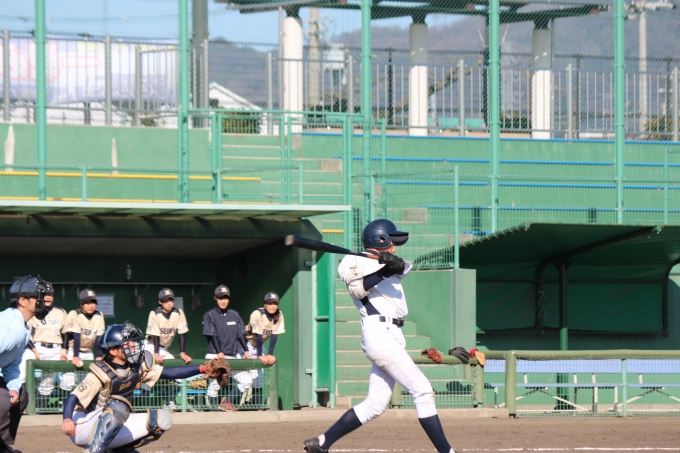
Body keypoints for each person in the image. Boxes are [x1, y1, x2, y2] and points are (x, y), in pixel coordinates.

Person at [303, 219, 459, 453]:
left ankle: (321, 443)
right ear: (381, 240)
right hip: (379, 332)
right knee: (423, 390)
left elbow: (403, 267)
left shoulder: (386, 261)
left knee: (374, 405)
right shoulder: (351, 261)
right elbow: (358, 289)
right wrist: (384, 270)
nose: (395, 246)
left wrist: (389, 264)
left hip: (393, 334)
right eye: (391, 241)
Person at [60, 321, 230, 453]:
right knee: (119, 406)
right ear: (113, 351)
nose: (133, 345)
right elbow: (72, 398)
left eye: (132, 341)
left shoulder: (136, 366)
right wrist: (67, 419)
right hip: (81, 425)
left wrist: (202, 369)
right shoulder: (101, 372)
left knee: (160, 420)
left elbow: (170, 373)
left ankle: (116, 450)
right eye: (126, 343)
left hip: (109, 423)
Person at [0, 275, 51, 453]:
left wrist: (13, 387)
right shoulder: (9, 326)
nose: (43, 301)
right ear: (22, 301)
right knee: (2, 400)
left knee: (20, 395)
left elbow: (11, 365)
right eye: (38, 297)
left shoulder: (23, 328)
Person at [202, 284, 264, 411]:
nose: (223, 301)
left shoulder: (234, 314)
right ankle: (213, 411)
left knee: (246, 380)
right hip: (215, 355)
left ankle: (227, 402)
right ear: (215, 298)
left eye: (225, 297)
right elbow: (212, 335)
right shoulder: (210, 315)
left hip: (231, 356)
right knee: (215, 385)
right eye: (220, 298)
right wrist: (219, 352)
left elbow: (240, 334)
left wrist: (246, 351)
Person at [18, 281, 69, 408]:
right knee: (21, 373)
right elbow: (26, 334)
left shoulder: (60, 312)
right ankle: (20, 405)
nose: (48, 297)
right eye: (45, 294)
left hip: (55, 349)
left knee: (47, 384)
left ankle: (41, 410)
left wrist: (64, 349)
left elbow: (66, 333)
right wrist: (34, 350)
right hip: (37, 347)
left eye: (50, 294)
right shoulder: (34, 311)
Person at [143, 288, 191, 411]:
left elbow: (182, 333)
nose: (169, 303)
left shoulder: (178, 312)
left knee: (179, 373)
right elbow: (155, 334)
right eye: (166, 300)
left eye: (171, 300)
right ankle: (144, 406)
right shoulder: (154, 313)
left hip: (164, 349)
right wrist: (156, 353)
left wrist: (182, 352)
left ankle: (170, 402)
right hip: (150, 346)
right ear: (160, 302)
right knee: (148, 374)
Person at [61, 289, 106, 392]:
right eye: (87, 303)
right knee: (67, 381)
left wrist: (99, 356)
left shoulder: (99, 315)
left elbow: (98, 337)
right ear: (81, 304)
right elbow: (76, 335)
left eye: (93, 302)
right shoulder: (74, 313)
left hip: (88, 352)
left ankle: (81, 402)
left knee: (85, 383)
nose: (91, 305)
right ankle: (65, 400)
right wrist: (75, 356)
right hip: (73, 350)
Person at [244, 291, 285, 405]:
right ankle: (229, 401)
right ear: (264, 304)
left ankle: (257, 407)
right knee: (244, 378)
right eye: (269, 303)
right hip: (245, 345)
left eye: (275, 303)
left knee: (258, 379)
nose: (272, 306)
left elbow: (275, 334)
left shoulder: (279, 314)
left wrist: (270, 353)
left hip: (259, 345)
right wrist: (260, 356)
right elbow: (258, 335)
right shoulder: (257, 313)